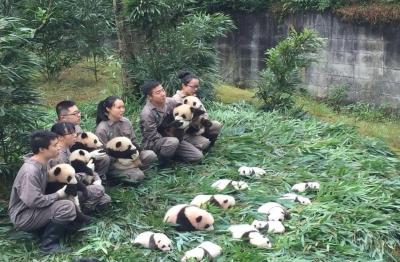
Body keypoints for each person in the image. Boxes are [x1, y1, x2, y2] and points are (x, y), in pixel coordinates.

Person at [8, 131, 76, 253]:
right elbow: (34, 201)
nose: (59, 146)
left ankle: (48, 229)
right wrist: (59, 195)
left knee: (71, 198)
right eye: (55, 145)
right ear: (42, 149)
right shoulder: (30, 171)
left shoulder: (43, 163)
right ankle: (48, 245)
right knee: (66, 206)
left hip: (33, 209)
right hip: (23, 215)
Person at [49, 122, 111, 214]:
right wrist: (86, 172)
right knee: (99, 190)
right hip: (67, 192)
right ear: (60, 137)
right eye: (71, 133)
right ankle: (78, 212)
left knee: (105, 199)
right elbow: (68, 180)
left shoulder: (67, 149)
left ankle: (81, 208)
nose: (75, 135)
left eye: (75, 132)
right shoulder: (58, 156)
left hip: (77, 185)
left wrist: (95, 177)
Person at [140, 80, 204, 166]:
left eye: (162, 90)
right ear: (149, 97)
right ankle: (163, 162)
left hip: (173, 136)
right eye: (158, 92)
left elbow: (184, 112)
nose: (163, 94)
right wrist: (171, 138)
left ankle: (173, 153)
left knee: (197, 157)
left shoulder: (171, 102)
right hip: (155, 142)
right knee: (172, 142)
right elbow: (151, 135)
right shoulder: (147, 113)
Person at [95, 96, 158, 182]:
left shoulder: (126, 121)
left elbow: (134, 141)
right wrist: (124, 158)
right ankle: (115, 176)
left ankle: (133, 169)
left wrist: (135, 154)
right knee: (138, 176)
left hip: (131, 154)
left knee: (151, 155)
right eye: (119, 107)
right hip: (116, 162)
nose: (122, 110)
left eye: (123, 107)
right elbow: (104, 155)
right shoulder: (102, 129)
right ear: (108, 109)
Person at [55, 100, 110, 180]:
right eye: (75, 113)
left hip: (81, 155)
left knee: (103, 157)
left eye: (79, 112)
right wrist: (90, 156)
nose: (79, 115)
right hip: (70, 165)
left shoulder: (76, 126)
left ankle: (99, 178)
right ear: (63, 118)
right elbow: (67, 160)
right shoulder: (57, 132)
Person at [172, 71, 222, 148]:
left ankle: (208, 144)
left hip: (198, 125)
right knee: (204, 143)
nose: (195, 89)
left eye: (197, 86)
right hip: (186, 132)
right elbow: (179, 122)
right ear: (183, 85)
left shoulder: (193, 97)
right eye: (193, 87)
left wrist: (203, 121)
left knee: (216, 125)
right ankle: (198, 146)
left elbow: (204, 113)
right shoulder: (176, 100)